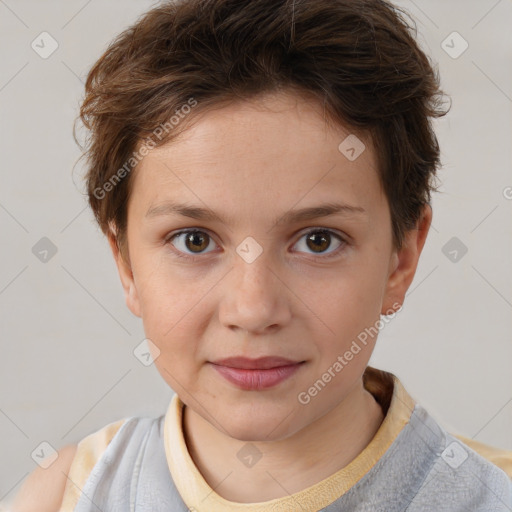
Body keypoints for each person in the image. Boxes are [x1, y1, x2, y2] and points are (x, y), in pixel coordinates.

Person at [11, 0, 512, 510]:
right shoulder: (63, 496)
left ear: (400, 260)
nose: (252, 311)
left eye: (319, 240)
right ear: (126, 264)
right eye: (195, 240)